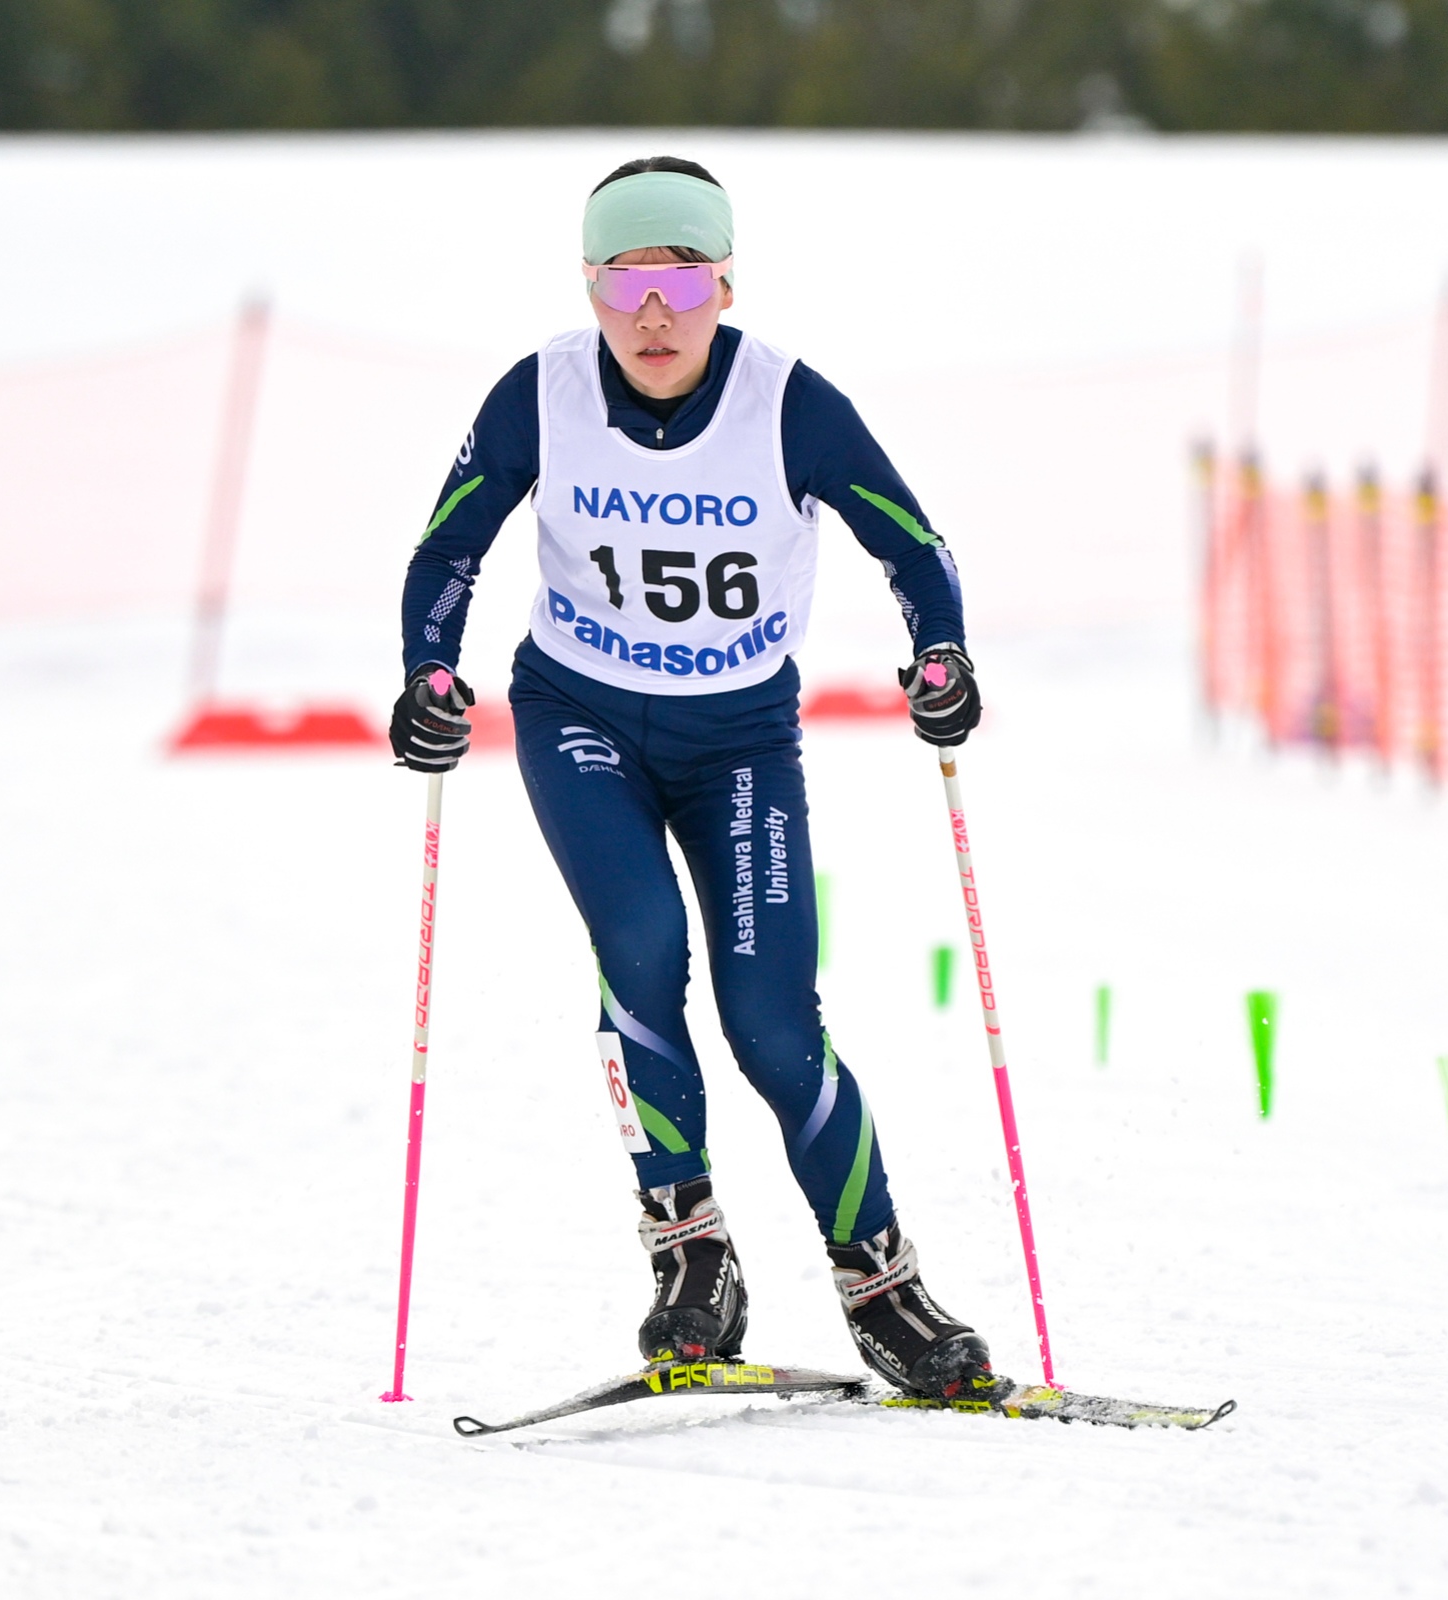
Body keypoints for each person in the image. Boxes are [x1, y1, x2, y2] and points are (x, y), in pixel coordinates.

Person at [388, 156, 1002, 1400]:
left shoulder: (789, 404)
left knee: (772, 1022)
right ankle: (690, 1254)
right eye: (625, 283)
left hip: (738, 741)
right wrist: (428, 675)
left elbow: (913, 546)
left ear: (726, 284)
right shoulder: (542, 392)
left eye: (680, 279)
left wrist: (941, 655)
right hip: (580, 718)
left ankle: (883, 1288)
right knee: (641, 943)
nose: (654, 313)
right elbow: (448, 549)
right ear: (590, 289)